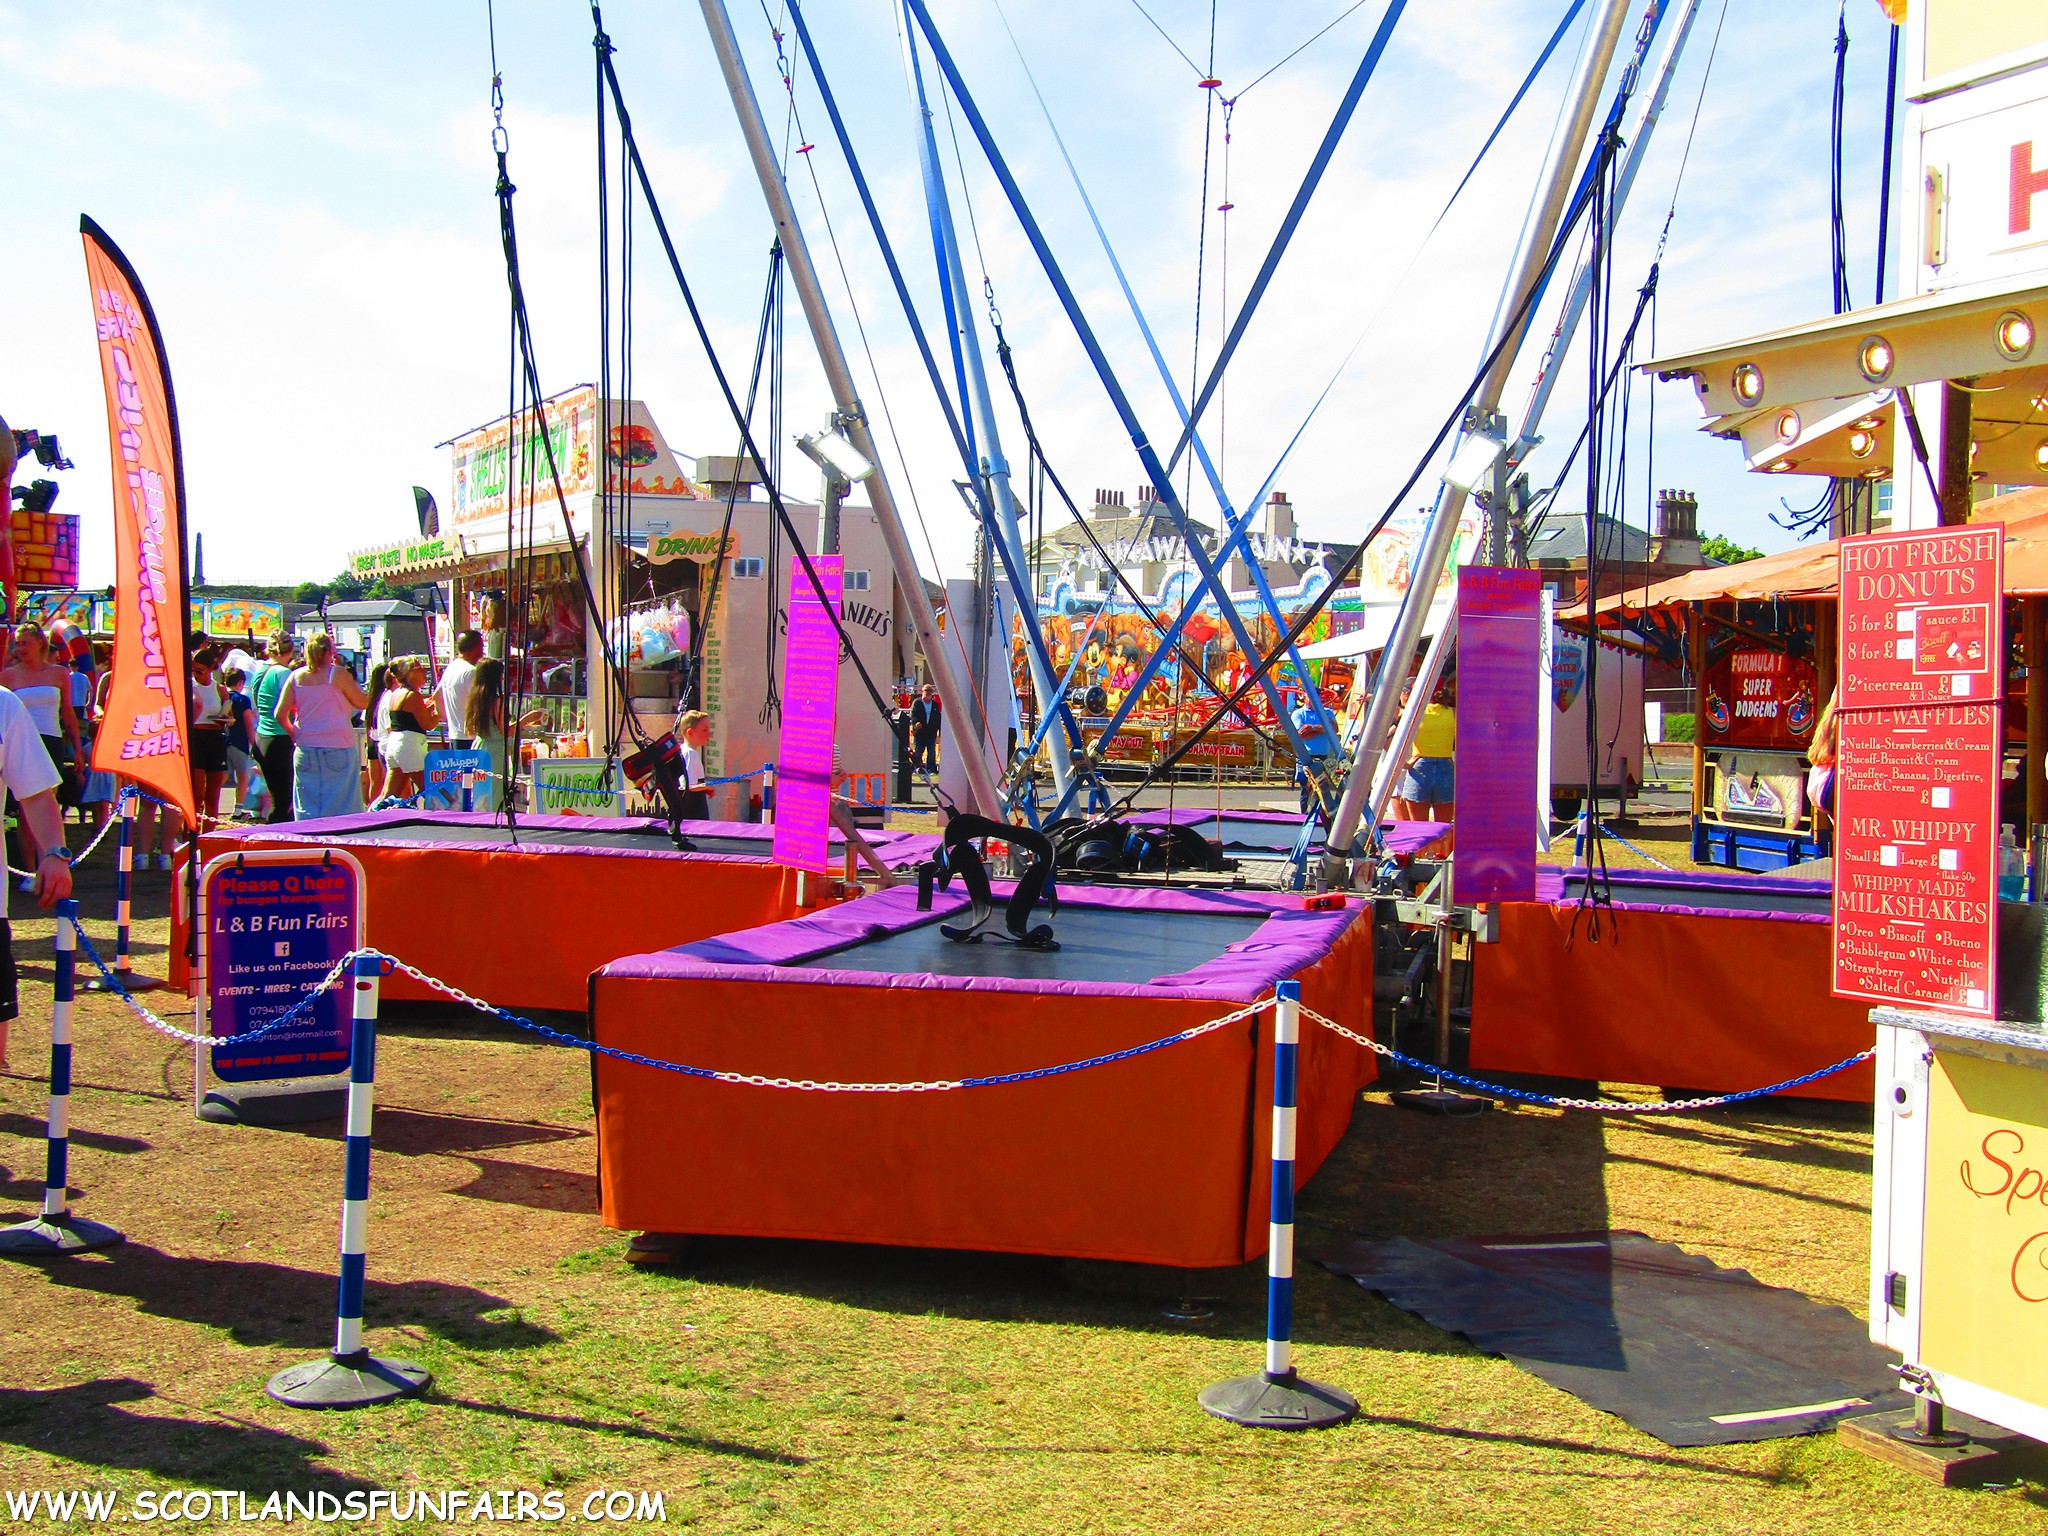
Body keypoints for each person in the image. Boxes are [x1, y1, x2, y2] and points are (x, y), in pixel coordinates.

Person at [0, 623, 82, 887]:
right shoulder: (9, 676)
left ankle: (48, 858)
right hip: (17, 740)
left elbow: (68, 712)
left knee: (48, 801)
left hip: (50, 739)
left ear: (40, 644)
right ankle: (30, 870)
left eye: (25, 642)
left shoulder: (59, 673)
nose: (20, 648)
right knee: (24, 808)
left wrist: (78, 750)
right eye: (17, 643)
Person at [276, 632, 369, 821]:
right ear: (329, 652)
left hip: (306, 746)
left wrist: (294, 733)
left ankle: (309, 844)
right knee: (342, 805)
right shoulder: (338, 674)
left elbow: (279, 714)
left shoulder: (296, 676)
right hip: (338, 745)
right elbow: (362, 702)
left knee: (307, 804)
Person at [464, 658, 545, 813]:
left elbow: (470, 729)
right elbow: (506, 730)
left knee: (481, 788)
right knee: (495, 790)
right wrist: (527, 719)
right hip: (495, 750)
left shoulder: (475, 697)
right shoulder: (497, 700)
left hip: (480, 746)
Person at [1393, 673, 1457, 822]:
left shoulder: (1413, 713)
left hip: (1419, 767)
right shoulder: (1454, 713)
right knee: (1444, 828)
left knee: (1418, 829)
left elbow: (1393, 740)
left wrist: (1405, 764)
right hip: (1446, 767)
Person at [250, 633, 298, 823]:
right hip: (280, 739)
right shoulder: (284, 673)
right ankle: (277, 844)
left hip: (262, 737)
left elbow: (256, 701)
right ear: (291, 650)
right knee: (284, 802)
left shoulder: (260, 670)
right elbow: (294, 706)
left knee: (277, 798)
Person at [380, 655, 441, 801]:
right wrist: (440, 712)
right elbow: (429, 724)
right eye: (420, 668)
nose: (424, 671)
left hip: (395, 744)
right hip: (409, 745)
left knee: (388, 795)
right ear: (410, 673)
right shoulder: (412, 695)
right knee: (433, 790)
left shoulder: (396, 693)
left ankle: (369, 818)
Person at [188, 642, 233, 829]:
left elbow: (231, 717)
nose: (195, 675)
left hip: (214, 738)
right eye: (193, 670)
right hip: (196, 737)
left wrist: (227, 720)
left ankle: (209, 837)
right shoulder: (189, 685)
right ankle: (189, 834)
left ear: (210, 669)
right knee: (196, 794)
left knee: (213, 795)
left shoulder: (219, 689)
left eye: (199, 671)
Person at [73, 647, 113, 833]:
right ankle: (99, 826)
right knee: (99, 802)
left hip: (125, 731)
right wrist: (103, 715)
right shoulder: (107, 678)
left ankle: (125, 812)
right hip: (107, 726)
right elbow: (96, 703)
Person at [220, 666, 266, 819]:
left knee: (222, 776)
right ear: (240, 683)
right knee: (242, 776)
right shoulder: (242, 700)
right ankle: (238, 810)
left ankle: (205, 802)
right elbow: (248, 723)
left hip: (222, 741)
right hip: (239, 742)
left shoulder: (221, 697)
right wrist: (254, 744)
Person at [1290, 694, 1337, 816]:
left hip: (1323, 756)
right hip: (1306, 757)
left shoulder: (1327, 712)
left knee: (1322, 788)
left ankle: (1319, 814)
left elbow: (1334, 729)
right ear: (1305, 698)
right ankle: (1304, 814)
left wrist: (1312, 727)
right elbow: (1301, 734)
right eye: (1311, 697)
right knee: (1305, 787)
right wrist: (1323, 729)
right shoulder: (1298, 714)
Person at [439, 630, 484, 749]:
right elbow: (480, 703)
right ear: (476, 648)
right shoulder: (470, 671)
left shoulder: (451, 668)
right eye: (481, 647)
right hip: (470, 737)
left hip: (455, 734)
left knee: (459, 768)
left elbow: (437, 698)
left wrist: (451, 720)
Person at [362, 660, 394, 804]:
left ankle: (371, 809)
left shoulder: (371, 701)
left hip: (372, 742)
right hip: (384, 741)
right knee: (387, 781)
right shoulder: (388, 697)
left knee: (375, 782)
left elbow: (366, 724)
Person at [675, 709, 713, 820]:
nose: (708, 733)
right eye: (704, 730)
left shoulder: (684, 751)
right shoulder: (690, 753)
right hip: (694, 811)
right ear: (690, 733)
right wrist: (707, 787)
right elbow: (688, 785)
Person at [909, 683, 941, 775]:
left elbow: (937, 718)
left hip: (931, 733)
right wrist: (916, 723)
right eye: (926, 690)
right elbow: (913, 714)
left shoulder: (935, 705)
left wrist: (939, 730)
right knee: (918, 751)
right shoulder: (917, 703)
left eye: (930, 691)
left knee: (931, 752)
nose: (928, 692)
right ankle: (916, 768)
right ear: (922, 691)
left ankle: (931, 769)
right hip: (920, 732)